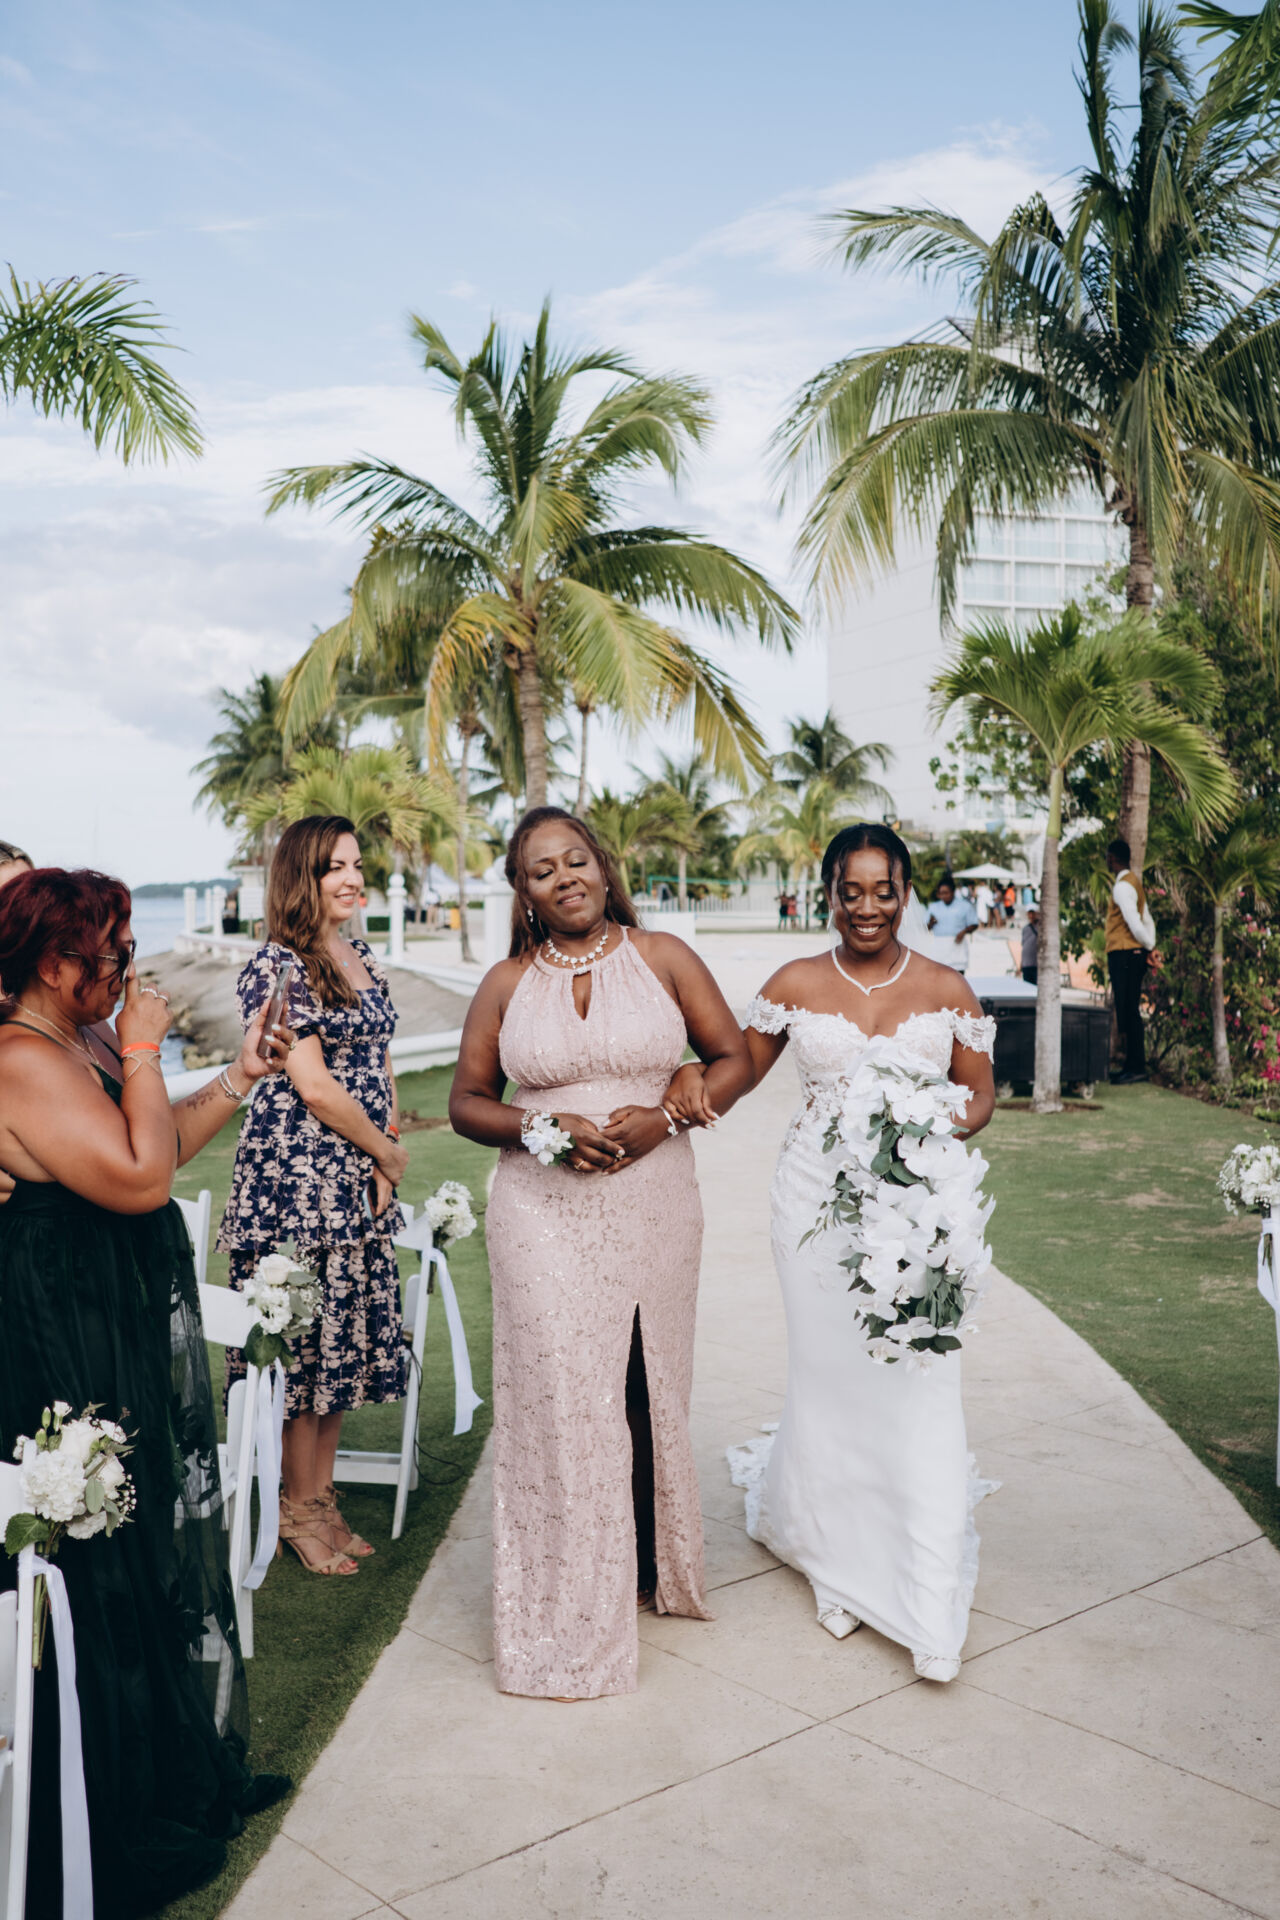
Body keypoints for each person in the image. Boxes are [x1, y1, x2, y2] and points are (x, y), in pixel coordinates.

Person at [0, 866, 292, 1915]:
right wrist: (141, 1045)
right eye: (113, 950)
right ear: (54, 962)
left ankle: (173, 1774)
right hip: (61, 1338)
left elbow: (146, 1143)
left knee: (142, 1543)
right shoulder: (20, 1058)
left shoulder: (75, 1039)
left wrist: (235, 1077)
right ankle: (108, 1814)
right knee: (100, 1562)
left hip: (110, 1320)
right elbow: (141, 1180)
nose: (129, 965)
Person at [670, 824, 997, 1683]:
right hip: (812, 1204)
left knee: (920, 1381)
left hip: (915, 1206)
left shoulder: (948, 987)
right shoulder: (795, 983)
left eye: (883, 891)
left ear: (906, 893)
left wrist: (918, 1126)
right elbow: (737, 1071)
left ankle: (925, 1590)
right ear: (828, 895)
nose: (867, 907)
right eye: (850, 892)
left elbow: (978, 1098)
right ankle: (834, 1553)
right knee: (831, 1378)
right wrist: (682, 1086)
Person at [448, 806, 753, 1700]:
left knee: (644, 1384)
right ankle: (565, 1593)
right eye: (542, 870)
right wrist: (539, 1128)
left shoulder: (663, 957)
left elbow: (732, 1057)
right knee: (560, 1395)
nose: (565, 878)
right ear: (524, 891)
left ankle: (646, 1564)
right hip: (539, 1213)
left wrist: (668, 1116)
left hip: (654, 1202)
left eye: (575, 860)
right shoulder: (506, 982)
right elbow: (467, 1101)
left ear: (603, 866)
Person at [217, 815, 410, 1577]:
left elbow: (381, 1063)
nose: (353, 878)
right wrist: (385, 1151)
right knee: (304, 1354)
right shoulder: (275, 965)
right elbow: (315, 1086)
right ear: (302, 876)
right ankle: (296, 1512)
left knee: (341, 1349)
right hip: (297, 1183)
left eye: (357, 864)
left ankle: (320, 1500)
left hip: (357, 1174)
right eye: (335, 867)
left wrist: (386, 1150)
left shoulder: (360, 954)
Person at [1105, 835, 1156, 1084]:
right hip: (1132, 953)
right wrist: (1150, 945)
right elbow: (1147, 919)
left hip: (1125, 953)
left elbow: (1135, 922)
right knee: (1128, 1010)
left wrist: (1147, 946)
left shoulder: (1122, 887)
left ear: (1113, 858)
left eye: (1108, 857)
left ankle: (1136, 1067)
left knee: (1129, 1011)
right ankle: (1132, 1064)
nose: (1107, 861)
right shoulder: (1133, 882)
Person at [926, 873, 980, 973]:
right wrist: (931, 922)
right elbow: (926, 927)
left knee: (958, 976)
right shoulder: (934, 907)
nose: (943, 896)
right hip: (939, 946)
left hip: (957, 945)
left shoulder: (964, 906)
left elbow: (974, 924)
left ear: (953, 892)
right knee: (940, 976)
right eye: (941, 893)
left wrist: (964, 931)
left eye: (946, 893)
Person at [1020, 906, 1040, 986]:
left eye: (1033, 913)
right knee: (1027, 986)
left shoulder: (1041, 927)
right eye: (1029, 913)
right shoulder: (1025, 928)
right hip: (1026, 964)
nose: (1031, 916)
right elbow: (1024, 946)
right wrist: (1021, 964)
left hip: (1036, 964)